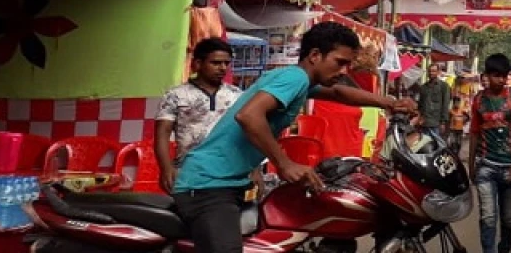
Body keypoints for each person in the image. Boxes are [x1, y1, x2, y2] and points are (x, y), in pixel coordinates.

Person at [172, 22, 416, 253]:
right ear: (315, 55)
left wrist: (390, 103)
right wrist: (285, 163)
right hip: (207, 186)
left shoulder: (301, 80)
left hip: (227, 183)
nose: (343, 72)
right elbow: (249, 116)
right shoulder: (294, 78)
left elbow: (340, 93)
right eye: (339, 63)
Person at [154, 38, 242, 194]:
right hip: (188, 173)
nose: (222, 68)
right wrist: (166, 168)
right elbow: (162, 135)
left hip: (229, 173)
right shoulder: (176, 95)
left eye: (226, 63)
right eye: (215, 63)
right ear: (198, 64)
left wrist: (254, 169)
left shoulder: (236, 95)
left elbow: (248, 133)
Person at [468, 54, 511, 253]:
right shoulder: (478, 100)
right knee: (488, 217)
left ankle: (504, 248)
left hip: (510, 168)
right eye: (496, 75)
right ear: (487, 75)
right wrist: (471, 166)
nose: (501, 80)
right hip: (485, 167)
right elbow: (475, 134)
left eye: (504, 76)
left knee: (509, 219)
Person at [419, 63, 452, 138]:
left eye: (433, 71)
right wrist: (419, 118)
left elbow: (445, 105)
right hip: (424, 122)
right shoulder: (423, 87)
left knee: (435, 146)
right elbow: (420, 105)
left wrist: (443, 123)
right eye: (430, 71)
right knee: (424, 146)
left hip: (436, 123)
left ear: (438, 72)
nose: (431, 73)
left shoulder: (444, 86)